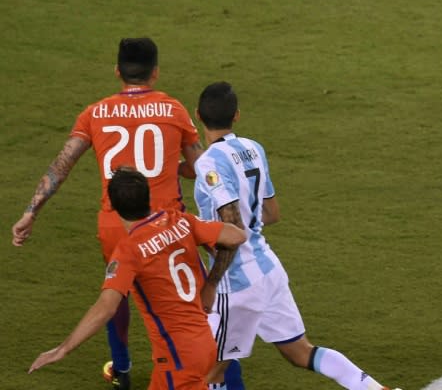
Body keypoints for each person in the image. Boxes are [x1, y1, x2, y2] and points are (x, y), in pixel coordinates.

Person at [12, 38, 204, 389]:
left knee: (117, 295)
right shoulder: (174, 110)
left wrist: (31, 211)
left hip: (117, 226)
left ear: (117, 71)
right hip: (168, 225)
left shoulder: (94, 113)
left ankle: (123, 367)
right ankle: (201, 366)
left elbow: (61, 165)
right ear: (155, 72)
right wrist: (171, 167)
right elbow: (199, 167)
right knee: (182, 297)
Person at [193, 81, 402, 390]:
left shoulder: (208, 162)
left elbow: (232, 225)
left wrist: (211, 280)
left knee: (206, 372)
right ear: (237, 115)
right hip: (269, 270)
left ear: (197, 115)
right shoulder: (254, 149)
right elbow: (272, 213)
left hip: (237, 282)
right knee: (300, 351)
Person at [28, 166, 246, 389]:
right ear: (148, 197)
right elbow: (236, 235)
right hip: (203, 342)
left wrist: (62, 349)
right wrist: (209, 280)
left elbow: (106, 307)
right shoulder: (179, 220)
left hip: (177, 355)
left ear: (112, 205)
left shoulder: (128, 252)